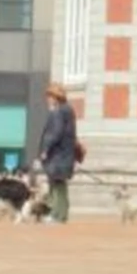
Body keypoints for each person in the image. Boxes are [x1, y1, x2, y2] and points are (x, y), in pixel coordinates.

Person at [35, 84, 82, 224]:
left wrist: (45, 150)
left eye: (49, 97)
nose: (48, 100)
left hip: (59, 156)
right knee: (59, 184)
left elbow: (55, 133)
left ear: (56, 97)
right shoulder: (68, 110)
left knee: (57, 184)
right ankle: (60, 214)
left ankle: (57, 215)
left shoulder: (59, 111)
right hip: (65, 154)